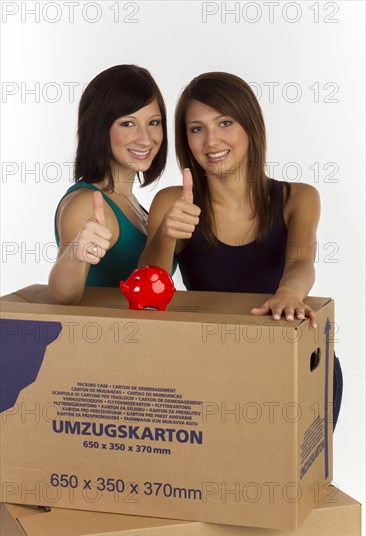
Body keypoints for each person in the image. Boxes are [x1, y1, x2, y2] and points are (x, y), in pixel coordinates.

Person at [139, 71, 342, 429]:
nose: (211, 140)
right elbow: (148, 291)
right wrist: (166, 233)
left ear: (250, 126)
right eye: (196, 128)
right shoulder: (173, 201)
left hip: (284, 356)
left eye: (225, 122)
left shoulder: (298, 197)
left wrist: (289, 293)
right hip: (211, 366)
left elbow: (301, 261)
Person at [48, 64, 167, 304]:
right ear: (99, 128)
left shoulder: (129, 202)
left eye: (153, 122)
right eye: (127, 123)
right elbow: (63, 295)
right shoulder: (86, 203)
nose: (146, 139)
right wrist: (76, 254)